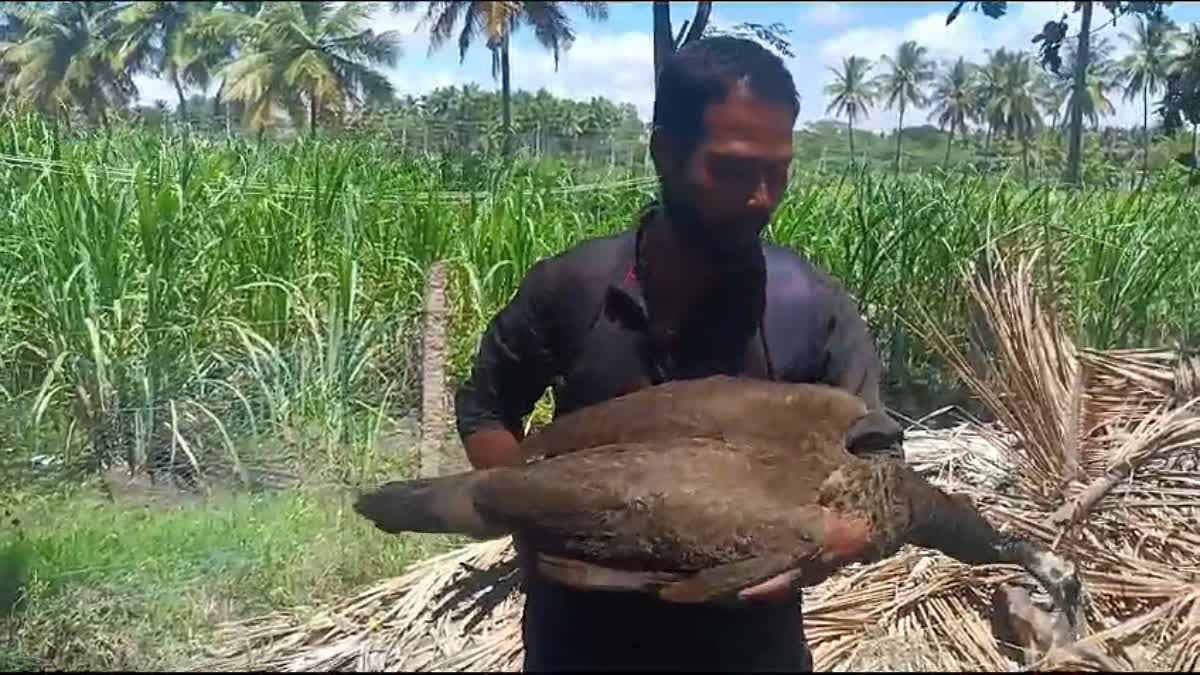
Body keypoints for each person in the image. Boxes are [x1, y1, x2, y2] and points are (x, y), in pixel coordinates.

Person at [453, 36, 904, 673]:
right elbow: (486, 408)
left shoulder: (813, 308)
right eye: (735, 170)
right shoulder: (571, 289)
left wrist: (829, 545)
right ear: (665, 151)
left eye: (779, 171)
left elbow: (880, 463)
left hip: (751, 648)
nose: (763, 197)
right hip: (580, 641)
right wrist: (533, 506)